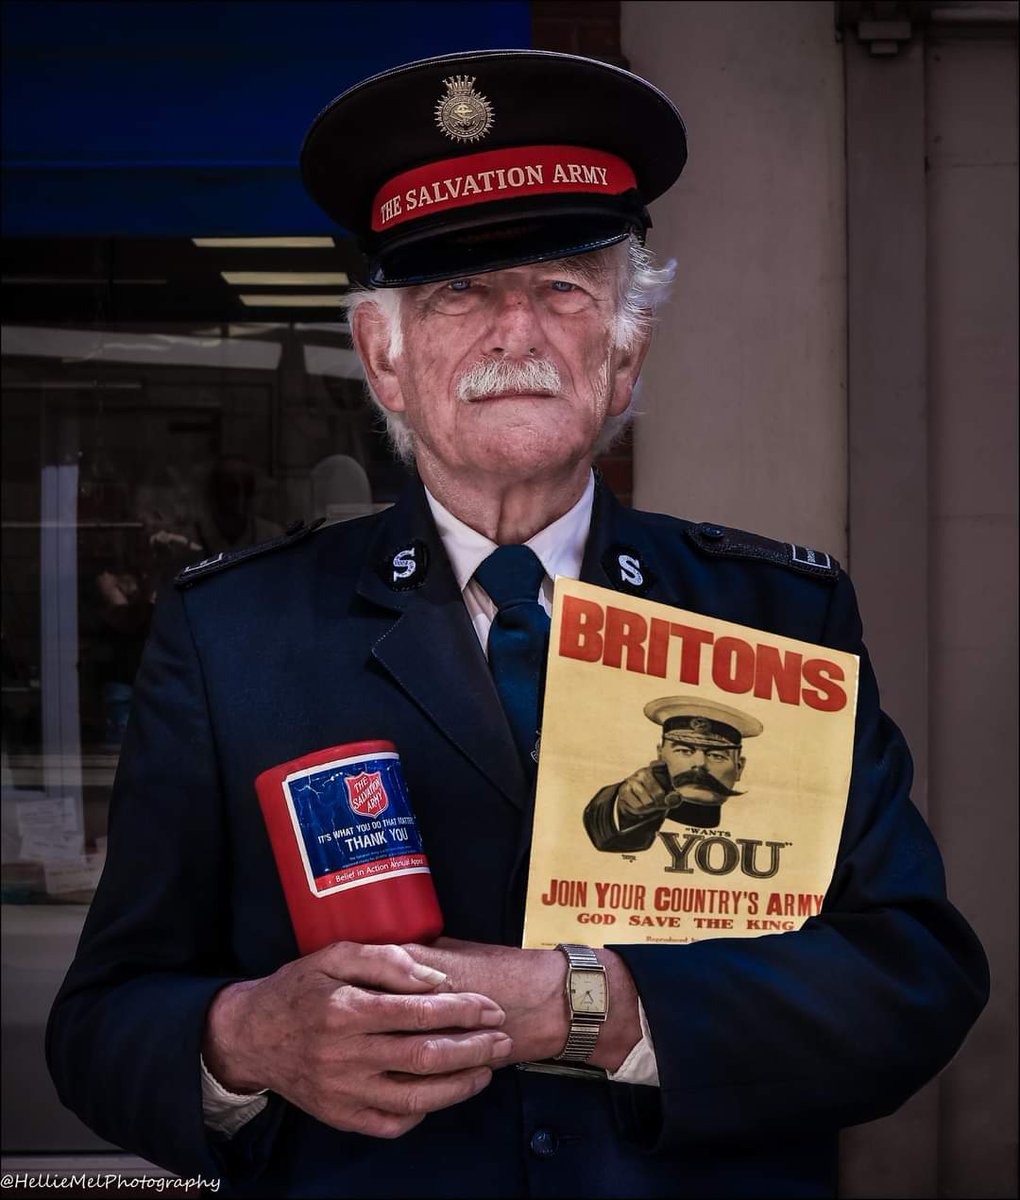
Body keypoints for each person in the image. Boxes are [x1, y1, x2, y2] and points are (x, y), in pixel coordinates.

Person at [46, 50, 988, 1199]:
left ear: (625, 350)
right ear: (385, 359)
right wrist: (245, 1037)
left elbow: (912, 976)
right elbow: (99, 1026)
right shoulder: (237, 631)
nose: (514, 333)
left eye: (561, 288)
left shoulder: (776, 614)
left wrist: (595, 1008)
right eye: (458, 292)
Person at [584, 697, 763, 847]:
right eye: (685, 751)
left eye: (716, 755)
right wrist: (626, 809)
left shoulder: (756, 827)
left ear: (739, 768)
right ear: (660, 755)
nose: (699, 764)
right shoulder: (635, 806)